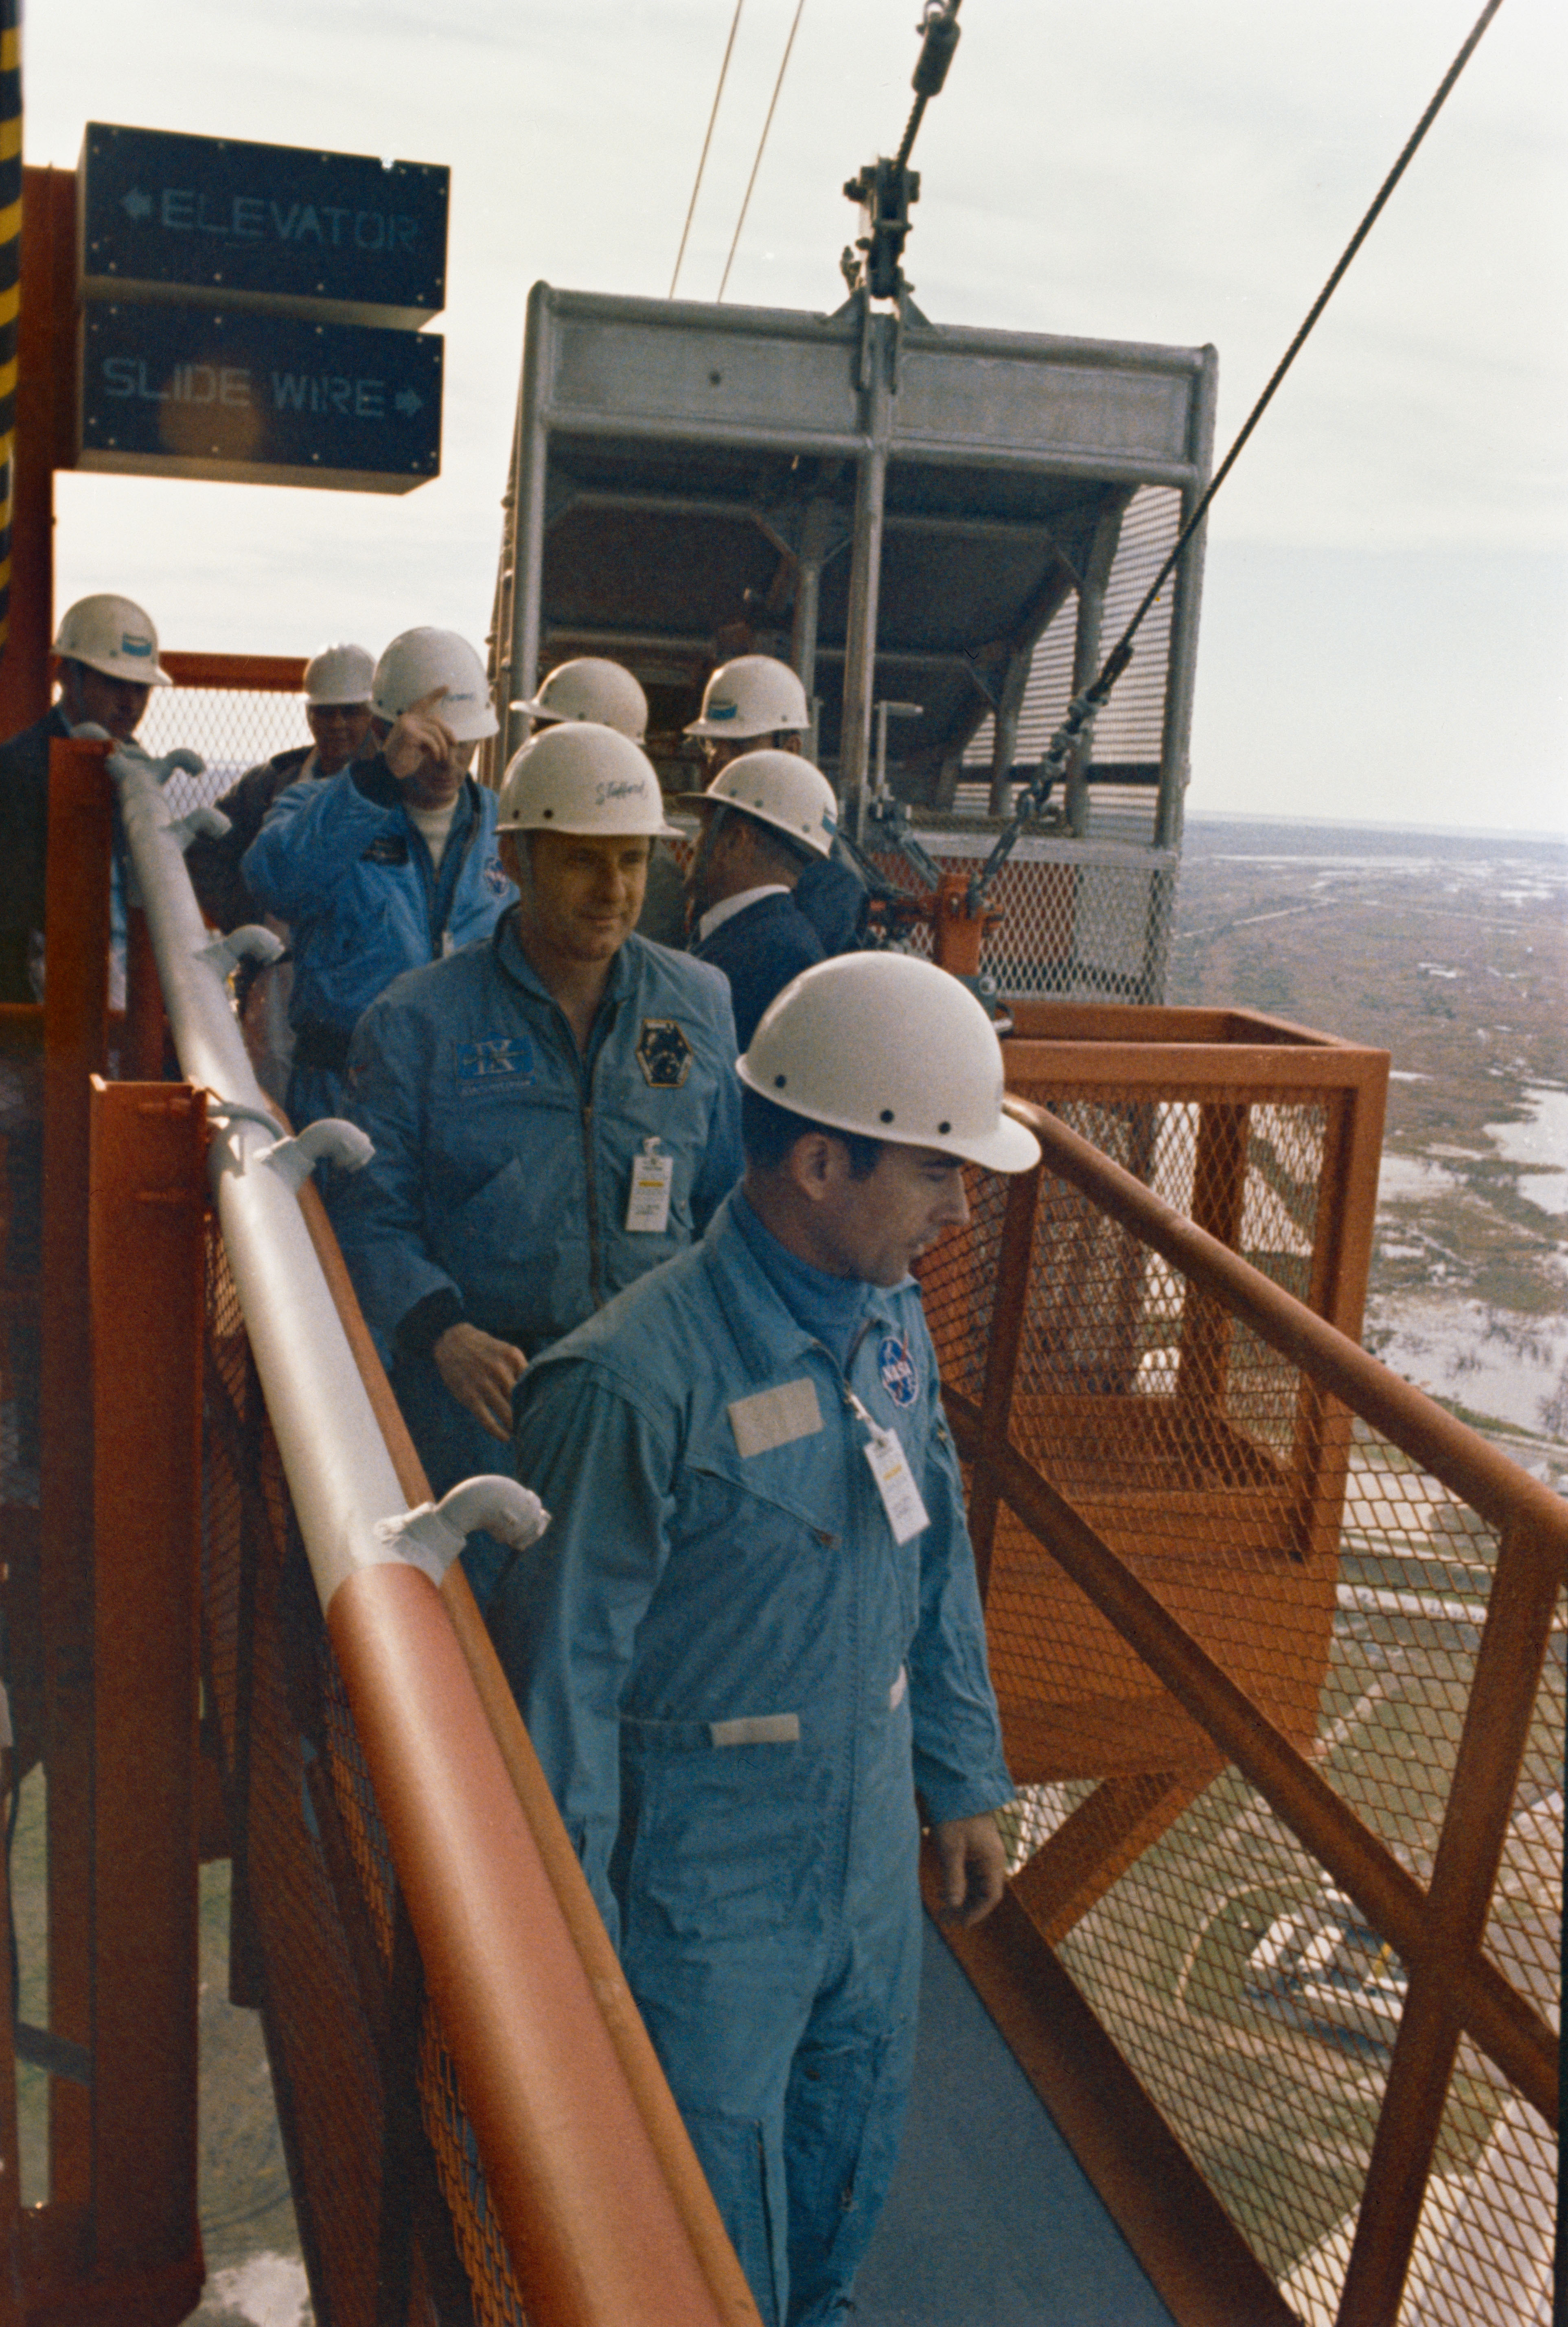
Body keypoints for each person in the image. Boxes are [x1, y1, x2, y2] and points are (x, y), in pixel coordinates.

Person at [489, 951, 1039, 2327]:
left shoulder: (886, 1318)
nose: (957, 1209)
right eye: (931, 1171)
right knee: (704, 2239)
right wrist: (575, 1983)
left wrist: (961, 1771)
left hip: (860, 1866)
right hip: (699, 1905)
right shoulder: (628, 1385)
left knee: (841, 2179)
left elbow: (933, 1547)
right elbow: (561, 1702)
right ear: (815, 1164)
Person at [333, 719, 743, 1592]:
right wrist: (440, 1332)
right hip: (486, 1404)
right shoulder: (419, 1022)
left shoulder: (700, 1004)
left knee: (630, 1638)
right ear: (514, 860)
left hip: (650, 1395)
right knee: (474, 1643)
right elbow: (369, 1215)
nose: (614, 889)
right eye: (582, 860)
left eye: (633, 861)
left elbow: (725, 1202)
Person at [240, 626, 513, 1128]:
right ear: (386, 730)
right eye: (433, 742)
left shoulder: (507, 830)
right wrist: (376, 786)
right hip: (346, 1098)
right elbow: (276, 882)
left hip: (469, 1099)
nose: (448, 761)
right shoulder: (322, 808)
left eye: (463, 744)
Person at [0, 592, 171, 1004]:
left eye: (140, 688)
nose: (130, 702)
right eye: (113, 683)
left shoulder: (132, 770)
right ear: (67, 676)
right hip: (40, 1004)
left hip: (108, 995)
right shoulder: (19, 772)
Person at [186, 641, 376, 932]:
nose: (337, 724)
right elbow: (204, 853)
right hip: (277, 969)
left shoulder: (395, 790)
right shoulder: (266, 784)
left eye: (350, 711)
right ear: (309, 714)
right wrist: (251, 919)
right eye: (325, 711)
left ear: (373, 714)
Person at [685, 653, 864, 955]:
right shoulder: (726, 853)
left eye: (740, 744)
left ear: (792, 748)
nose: (719, 759)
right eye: (713, 742)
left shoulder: (830, 884)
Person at [673, 749, 838, 1047]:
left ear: (735, 840)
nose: (694, 843)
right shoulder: (775, 940)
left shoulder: (775, 955)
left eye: (704, 829)